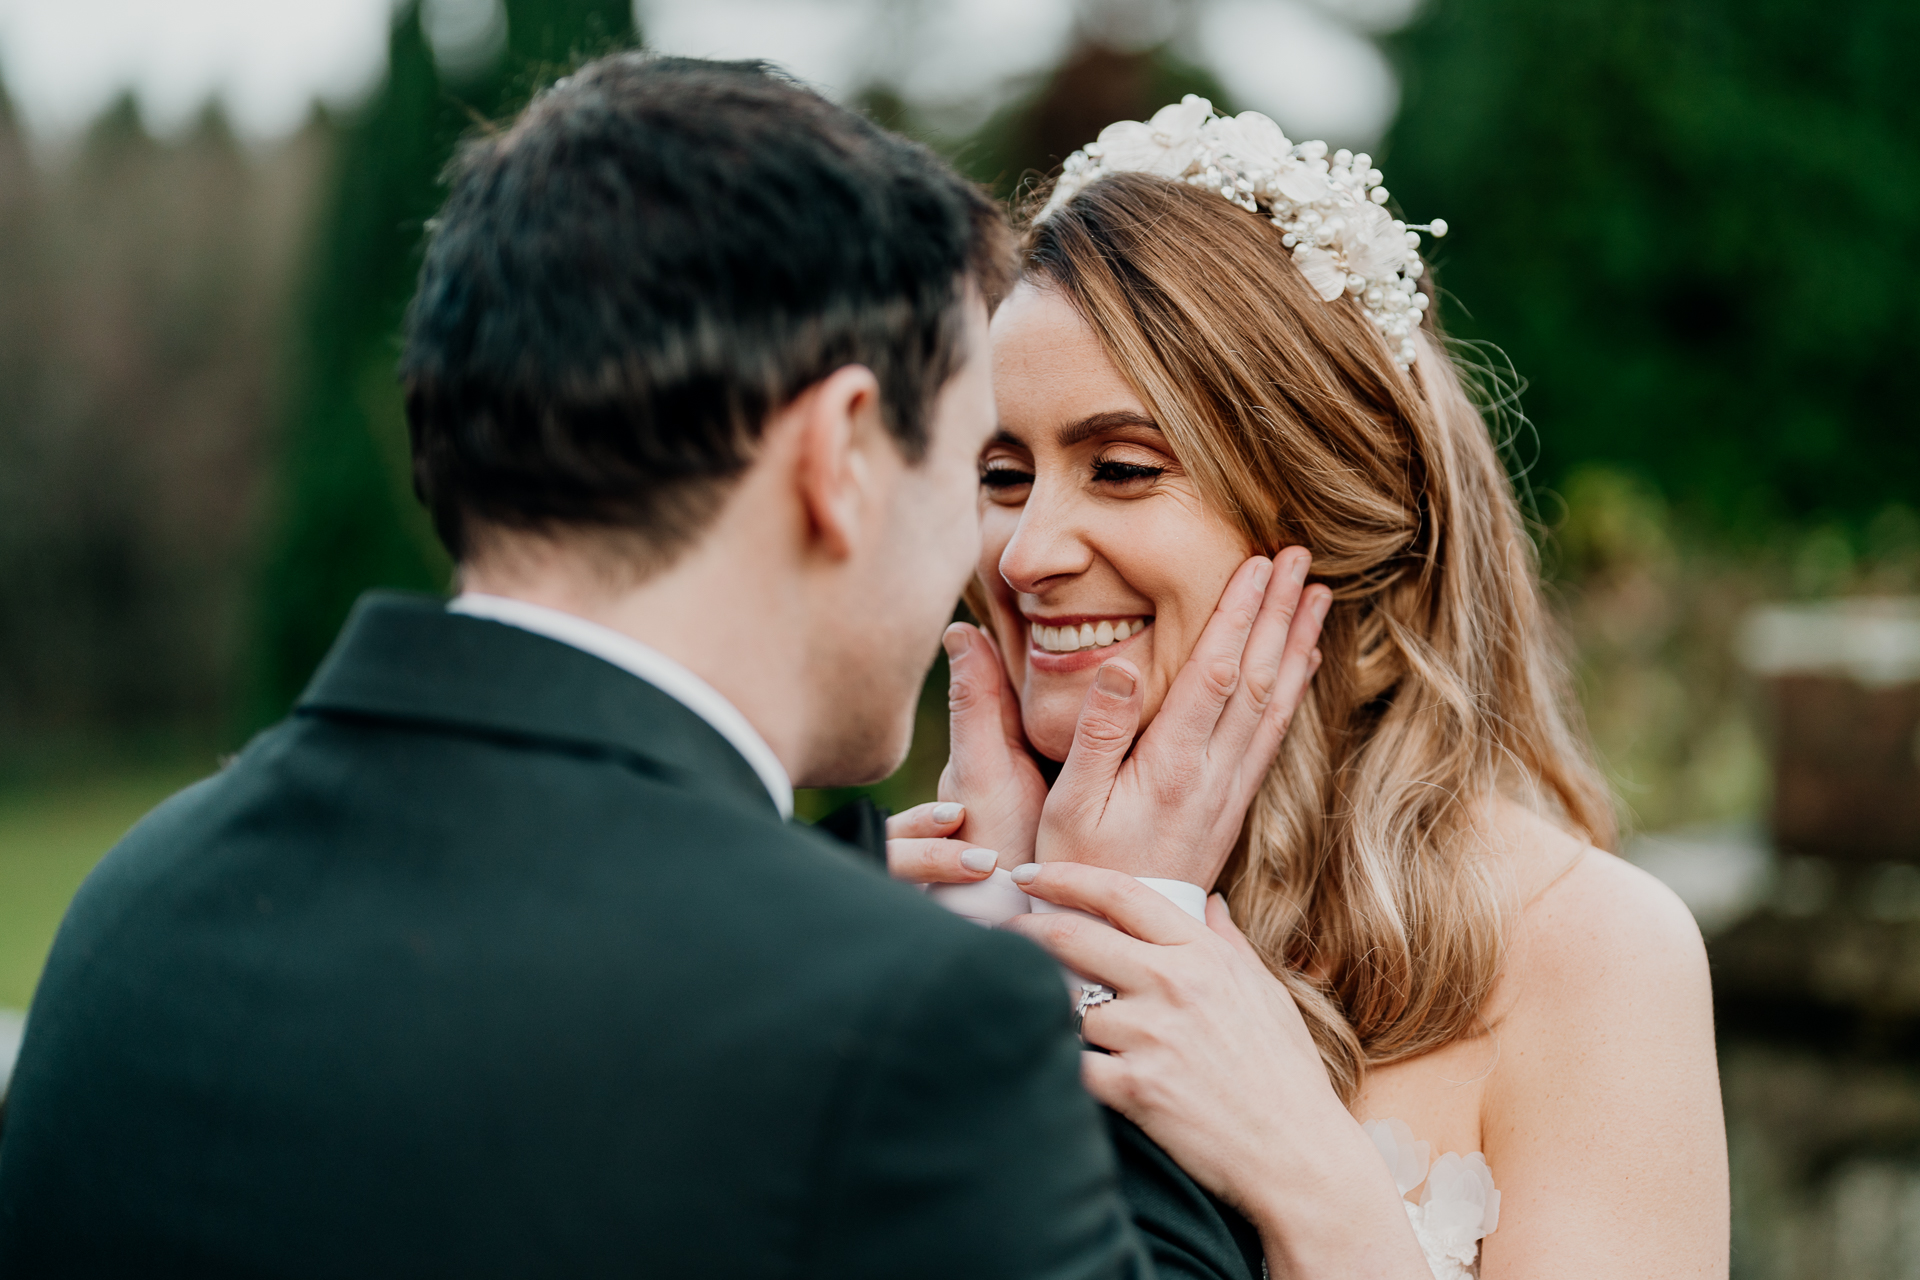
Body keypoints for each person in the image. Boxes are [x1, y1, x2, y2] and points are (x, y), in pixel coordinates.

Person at [0, 62, 1328, 1278]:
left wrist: (839, 899)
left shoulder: (133, 914)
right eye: (972, 461)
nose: (1003, 559)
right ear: (843, 456)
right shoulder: (904, 1032)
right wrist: (1116, 942)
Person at [888, 98, 1729, 1277]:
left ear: (1327, 509)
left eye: (1121, 468)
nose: (1024, 555)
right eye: (1003, 472)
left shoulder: (1587, 951)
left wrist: (1308, 1174)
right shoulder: (909, 918)